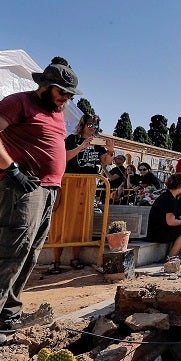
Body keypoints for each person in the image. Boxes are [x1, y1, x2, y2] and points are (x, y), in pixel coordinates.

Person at [0, 59, 77, 346]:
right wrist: (10, 169)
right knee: (9, 252)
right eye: (62, 92)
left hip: (48, 189)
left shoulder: (57, 112)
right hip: (22, 189)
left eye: (70, 94)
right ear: (46, 87)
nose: (67, 98)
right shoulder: (19, 102)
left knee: (29, 254)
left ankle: (8, 315)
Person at [53, 113, 113, 272]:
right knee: (62, 220)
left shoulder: (97, 144)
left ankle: (74, 258)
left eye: (95, 125)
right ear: (83, 124)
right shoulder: (72, 139)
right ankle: (56, 261)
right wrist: (81, 147)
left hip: (88, 185)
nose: (92, 128)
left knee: (81, 221)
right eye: (90, 124)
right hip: (70, 183)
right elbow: (63, 158)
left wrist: (111, 150)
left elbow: (105, 161)